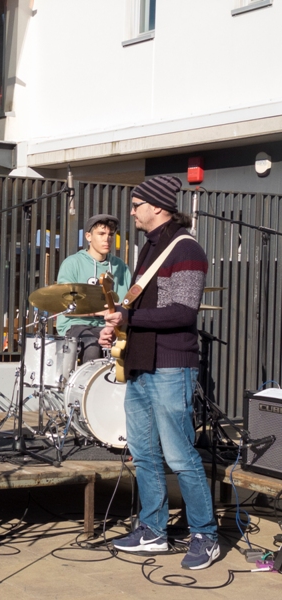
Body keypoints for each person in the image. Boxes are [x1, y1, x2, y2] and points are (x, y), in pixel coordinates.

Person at [100, 175, 219, 570]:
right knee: (146, 455)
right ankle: (152, 530)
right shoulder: (148, 249)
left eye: (136, 205)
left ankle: (205, 534)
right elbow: (140, 311)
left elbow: (182, 313)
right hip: (139, 363)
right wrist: (118, 325)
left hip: (170, 364)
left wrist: (129, 316)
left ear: (157, 206)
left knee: (180, 455)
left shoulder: (185, 249)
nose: (131, 211)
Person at [55, 214, 130, 364]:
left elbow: (124, 303)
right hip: (75, 324)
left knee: (131, 346)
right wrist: (99, 312)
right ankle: (85, 387)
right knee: (92, 346)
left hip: (108, 325)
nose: (107, 239)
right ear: (88, 236)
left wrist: (110, 325)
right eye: (101, 234)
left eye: (110, 235)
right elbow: (65, 306)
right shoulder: (72, 263)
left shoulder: (120, 266)